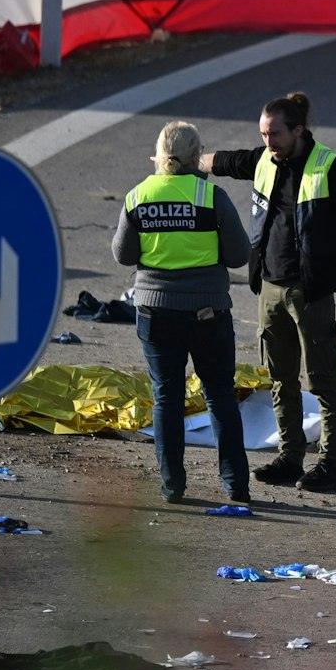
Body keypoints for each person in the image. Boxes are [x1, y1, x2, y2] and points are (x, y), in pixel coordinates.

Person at [200, 92, 336, 493]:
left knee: (324, 380)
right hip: (270, 289)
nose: (268, 142)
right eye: (263, 134)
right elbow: (224, 161)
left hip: (310, 293)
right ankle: (290, 455)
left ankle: (331, 466)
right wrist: (182, 159)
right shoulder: (265, 160)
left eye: (275, 134)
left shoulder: (331, 168)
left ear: (298, 131)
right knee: (281, 379)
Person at [113, 121, 253, 505]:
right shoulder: (212, 197)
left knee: (167, 398)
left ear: (159, 156)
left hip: (156, 314)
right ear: (197, 157)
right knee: (220, 396)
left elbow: (123, 255)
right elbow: (240, 255)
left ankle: (173, 486)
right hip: (208, 314)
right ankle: (236, 485)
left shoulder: (138, 196)